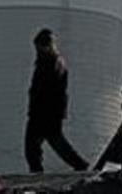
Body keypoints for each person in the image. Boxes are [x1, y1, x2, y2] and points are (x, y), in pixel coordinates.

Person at [24, 28, 89, 173]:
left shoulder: (52, 63)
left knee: (36, 146)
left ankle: (79, 165)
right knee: (52, 142)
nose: (37, 50)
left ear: (46, 45)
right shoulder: (50, 62)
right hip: (46, 111)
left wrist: (44, 109)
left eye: (39, 47)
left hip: (44, 112)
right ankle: (80, 165)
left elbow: (50, 90)